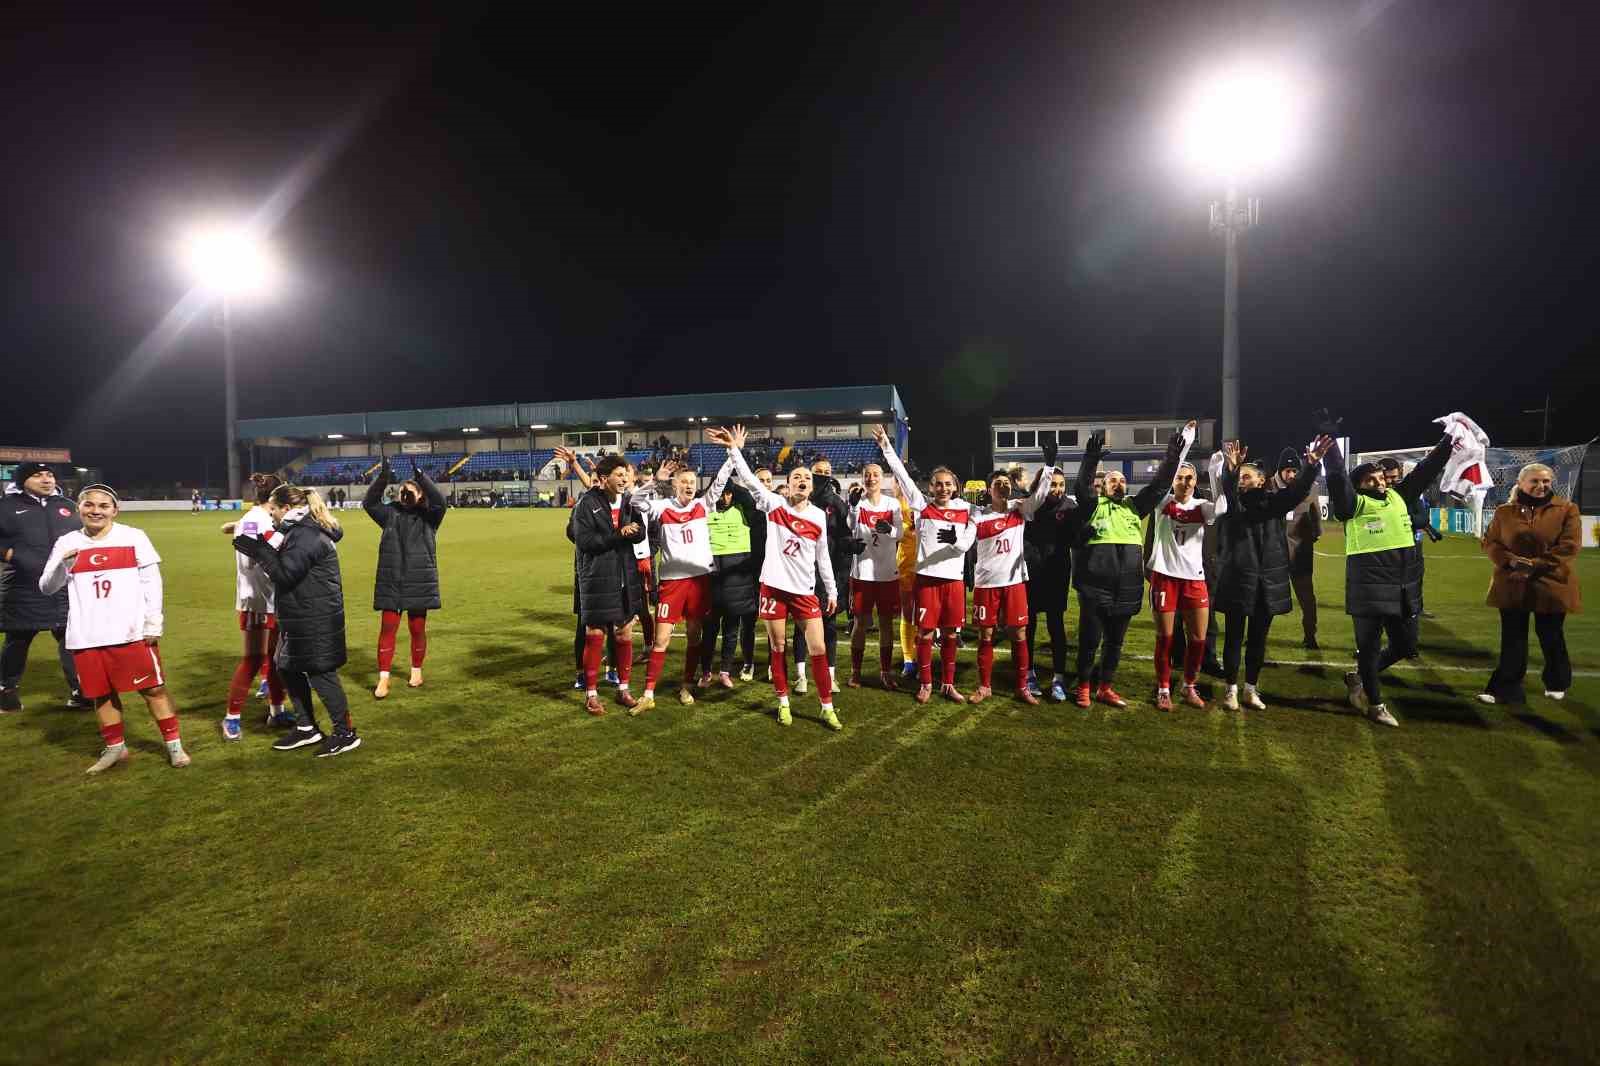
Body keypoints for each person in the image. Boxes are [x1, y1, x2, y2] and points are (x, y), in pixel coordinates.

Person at [40, 485, 190, 773]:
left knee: (153, 689)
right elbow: (46, 588)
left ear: (114, 510)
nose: (95, 510)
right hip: (86, 634)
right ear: (79, 509)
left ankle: (174, 746)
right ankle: (115, 748)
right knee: (101, 694)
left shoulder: (133, 537)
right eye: (89, 505)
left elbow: (152, 582)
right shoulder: (66, 542)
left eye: (103, 506)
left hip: (130, 631)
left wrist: (153, 621)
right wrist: (64, 566)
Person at [1321, 419, 1453, 727]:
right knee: (1367, 649)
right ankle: (1376, 704)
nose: (1380, 482)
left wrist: (1449, 441)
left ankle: (1357, 678)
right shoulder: (1353, 505)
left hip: (1402, 586)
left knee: (1406, 646)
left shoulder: (1399, 496)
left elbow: (1426, 470)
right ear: (1359, 486)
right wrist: (1330, 443)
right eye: (1371, 479)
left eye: (1381, 477)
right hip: (1368, 588)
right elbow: (1339, 478)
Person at [711, 425, 841, 730]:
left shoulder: (819, 516)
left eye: (807, 478)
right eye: (797, 477)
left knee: (818, 648)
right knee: (778, 647)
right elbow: (748, 479)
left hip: (805, 592)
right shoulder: (774, 505)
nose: (802, 481)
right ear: (788, 484)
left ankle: (827, 706)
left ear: (812, 485)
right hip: (773, 589)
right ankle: (783, 703)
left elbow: (823, 557)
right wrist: (734, 449)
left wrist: (832, 591)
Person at [1062, 425, 1191, 708]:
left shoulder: (1135, 506)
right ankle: (1083, 686)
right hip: (1096, 589)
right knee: (1090, 641)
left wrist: (1172, 458)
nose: (1118, 484)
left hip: (1127, 590)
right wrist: (1090, 459)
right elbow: (1082, 488)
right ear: (1104, 486)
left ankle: (1104, 687)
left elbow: (1158, 486)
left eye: (1121, 481)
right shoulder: (1093, 506)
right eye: (1112, 481)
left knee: (1115, 644)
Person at [232, 485, 361, 756]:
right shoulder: (300, 529)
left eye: (274, 510)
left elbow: (285, 575)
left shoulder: (306, 534)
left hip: (315, 615)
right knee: (286, 665)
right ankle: (306, 727)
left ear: (287, 509)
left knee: (321, 672)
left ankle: (345, 733)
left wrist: (260, 552)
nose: (272, 515)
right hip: (302, 612)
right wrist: (266, 544)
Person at [1213, 437, 1333, 711]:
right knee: (1233, 637)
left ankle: (1250, 690)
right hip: (1238, 580)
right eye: (1240, 477)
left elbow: (1298, 491)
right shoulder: (1232, 506)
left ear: (1260, 480)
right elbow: (1230, 492)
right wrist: (1230, 471)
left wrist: (1311, 466)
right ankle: (1231, 689)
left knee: (1258, 639)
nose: (1242, 481)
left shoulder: (1274, 503)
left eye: (1247, 477)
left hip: (1267, 581)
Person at [874, 424, 977, 704]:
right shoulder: (922, 506)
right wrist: (886, 447)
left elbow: (970, 539)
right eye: (938, 484)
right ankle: (927, 683)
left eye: (947, 484)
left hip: (953, 581)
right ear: (930, 487)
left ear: (955, 487)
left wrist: (959, 542)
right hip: (927, 580)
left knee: (951, 635)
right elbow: (903, 476)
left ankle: (948, 684)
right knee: (925, 633)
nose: (943, 488)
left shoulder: (967, 510)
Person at [626, 455, 734, 713]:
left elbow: (719, 483)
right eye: (683, 482)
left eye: (692, 482)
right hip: (672, 583)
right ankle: (649, 693)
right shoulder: (663, 507)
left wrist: (731, 456)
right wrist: (654, 482)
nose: (689, 486)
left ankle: (686, 685)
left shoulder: (703, 505)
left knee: (695, 634)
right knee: (662, 639)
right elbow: (636, 501)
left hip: (699, 581)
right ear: (675, 485)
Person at [1477, 463, 1581, 704]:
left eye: (1545, 481)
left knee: (1551, 635)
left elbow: (1569, 547)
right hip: (1512, 582)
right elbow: (1490, 542)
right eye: (1534, 481)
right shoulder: (1504, 511)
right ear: (1521, 483)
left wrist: (1533, 565)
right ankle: (1506, 688)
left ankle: (1557, 681)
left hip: (1551, 582)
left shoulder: (1567, 509)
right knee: (1513, 638)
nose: (1540, 486)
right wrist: (1511, 562)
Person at [969, 448, 1057, 704]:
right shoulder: (978, 514)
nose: (1003, 486)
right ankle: (984, 686)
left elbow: (1039, 496)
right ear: (989, 489)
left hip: (1015, 583)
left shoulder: (1020, 509)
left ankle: (1022, 686)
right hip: (986, 584)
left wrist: (1049, 466)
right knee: (986, 636)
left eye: (1006, 482)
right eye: (998, 483)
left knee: (1019, 635)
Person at [0, 462, 87, 712]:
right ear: (22, 480)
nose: (46, 479)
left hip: (64, 584)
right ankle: (7, 689)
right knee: (18, 637)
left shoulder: (67, 506)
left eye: (49, 475)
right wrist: (10, 555)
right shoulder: (5, 506)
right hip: (22, 584)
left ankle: (79, 690)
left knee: (70, 637)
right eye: (37, 475)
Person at [567, 455, 648, 715]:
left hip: (625, 575)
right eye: (619, 474)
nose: (625, 478)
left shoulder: (629, 502)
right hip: (597, 578)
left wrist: (631, 532)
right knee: (595, 635)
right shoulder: (586, 503)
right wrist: (618, 534)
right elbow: (585, 541)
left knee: (624, 634)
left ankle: (623, 689)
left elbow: (641, 532)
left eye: (626, 474)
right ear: (603, 479)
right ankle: (591, 694)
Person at [1144, 432, 1216, 711]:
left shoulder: (1203, 507)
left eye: (1189, 479)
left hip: (1194, 580)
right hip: (1165, 578)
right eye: (1179, 478)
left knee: (1198, 638)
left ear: (1196, 483)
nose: (1184, 482)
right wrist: (1183, 448)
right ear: (1173, 481)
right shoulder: (1163, 503)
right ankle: (1163, 689)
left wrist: (1215, 471)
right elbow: (1163, 479)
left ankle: (1188, 686)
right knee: (1166, 639)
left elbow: (1222, 506)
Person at [219, 473, 293, 739]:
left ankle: (277, 711)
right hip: (256, 601)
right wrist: (279, 541)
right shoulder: (252, 520)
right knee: (252, 659)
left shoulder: (268, 519)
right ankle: (231, 718)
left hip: (276, 600)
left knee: (275, 661)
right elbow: (249, 557)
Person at [365, 458, 446, 699]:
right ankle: (384, 679)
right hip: (391, 580)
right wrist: (383, 478)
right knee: (387, 628)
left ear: (421, 496)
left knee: (417, 629)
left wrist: (421, 477)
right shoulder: (388, 514)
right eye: (401, 491)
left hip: (418, 580)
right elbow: (369, 502)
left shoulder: (431, 517)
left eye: (409, 492)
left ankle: (416, 672)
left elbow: (440, 501)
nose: (404, 495)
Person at [792, 458, 852, 695]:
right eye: (818, 472)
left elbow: (844, 534)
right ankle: (800, 676)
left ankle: (830, 675)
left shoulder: (836, 503)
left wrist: (849, 545)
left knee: (829, 626)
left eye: (827, 472)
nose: (823, 475)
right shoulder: (799, 499)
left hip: (829, 573)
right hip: (803, 573)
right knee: (800, 627)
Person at [844, 462, 904, 690]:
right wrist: (852, 506)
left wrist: (890, 530)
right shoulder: (858, 503)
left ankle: (885, 672)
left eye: (876, 474)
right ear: (862, 478)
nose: (871, 478)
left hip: (888, 573)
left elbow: (901, 532)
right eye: (867, 474)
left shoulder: (893, 503)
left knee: (886, 623)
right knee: (860, 623)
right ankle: (855, 672)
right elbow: (851, 526)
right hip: (862, 574)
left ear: (883, 478)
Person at [701, 473, 763, 685]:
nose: (725, 497)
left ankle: (725, 671)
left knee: (731, 629)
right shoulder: (705, 511)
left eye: (729, 493)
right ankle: (706, 671)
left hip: (737, 579)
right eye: (722, 492)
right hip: (711, 577)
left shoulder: (742, 510)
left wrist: (731, 485)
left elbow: (749, 500)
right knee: (709, 629)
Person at [1022, 464, 1077, 702]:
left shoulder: (1070, 506)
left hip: (1057, 573)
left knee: (1056, 626)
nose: (1057, 489)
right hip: (1032, 572)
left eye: (1061, 485)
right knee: (1030, 625)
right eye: (1052, 484)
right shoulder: (1031, 504)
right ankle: (1029, 673)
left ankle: (1058, 678)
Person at [1272, 448, 1323, 650]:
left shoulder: (1310, 488)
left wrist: (1314, 534)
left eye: (1295, 470)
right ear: (1280, 471)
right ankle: (1257, 636)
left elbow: (1316, 513)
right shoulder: (1268, 486)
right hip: (1274, 555)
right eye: (1288, 471)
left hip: (1300, 553)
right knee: (1266, 599)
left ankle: (1310, 636)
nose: (1292, 475)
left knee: (1307, 598)